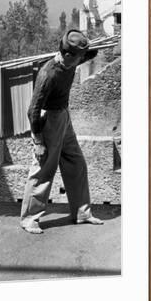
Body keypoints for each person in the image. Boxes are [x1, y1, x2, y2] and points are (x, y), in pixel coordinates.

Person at [20, 29, 104, 234]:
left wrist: (88, 45)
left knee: (76, 162)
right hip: (49, 121)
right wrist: (38, 141)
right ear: (67, 55)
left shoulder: (71, 60)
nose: (81, 60)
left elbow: (90, 53)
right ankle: (29, 218)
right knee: (43, 170)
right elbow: (32, 110)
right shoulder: (48, 74)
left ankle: (82, 212)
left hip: (64, 117)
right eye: (78, 57)